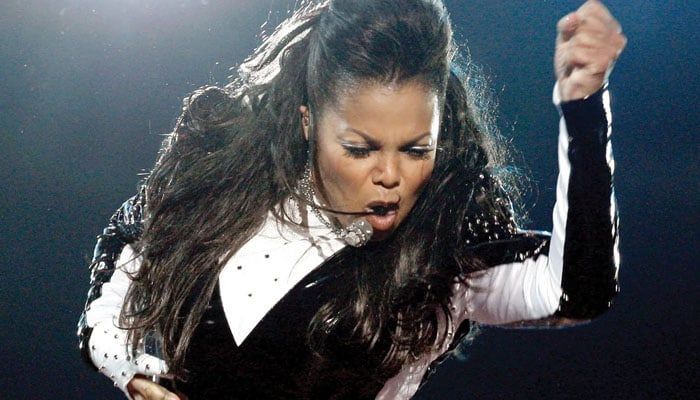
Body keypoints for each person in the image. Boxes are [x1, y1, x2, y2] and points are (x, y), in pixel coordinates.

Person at [76, 0, 626, 399]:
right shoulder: (224, 184)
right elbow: (122, 254)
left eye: (416, 148)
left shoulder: (447, 251)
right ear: (307, 123)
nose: (390, 175)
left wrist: (584, 113)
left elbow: (577, 289)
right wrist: (132, 370)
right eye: (359, 148)